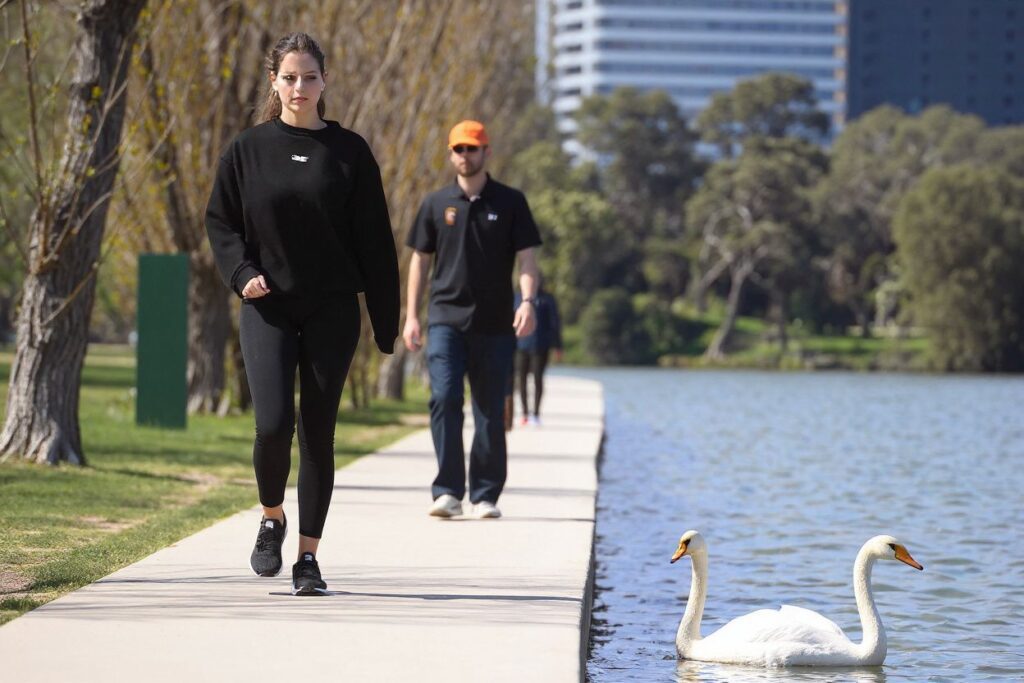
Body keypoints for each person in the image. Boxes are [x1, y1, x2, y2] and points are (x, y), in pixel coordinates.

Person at [205, 33, 399, 595]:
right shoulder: (246, 150)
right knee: (272, 425)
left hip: (332, 310)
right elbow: (220, 222)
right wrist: (242, 275)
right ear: (274, 82)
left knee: (317, 431)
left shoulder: (350, 154)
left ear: (325, 82)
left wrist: (385, 323)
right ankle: (272, 516)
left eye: (309, 77)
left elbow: (375, 243)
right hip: (266, 307)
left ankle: (308, 558)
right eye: (289, 78)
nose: (299, 88)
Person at [403, 120, 541, 520]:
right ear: (450, 155)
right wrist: (411, 316)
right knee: (444, 398)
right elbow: (419, 261)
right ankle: (447, 491)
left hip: (496, 323)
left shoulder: (511, 202)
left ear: (487, 153)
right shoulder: (434, 204)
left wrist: (528, 301)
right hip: (445, 319)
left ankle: (484, 495)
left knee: (489, 409)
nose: (466, 156)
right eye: (459, 149)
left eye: (473, 149)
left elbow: (527, 259)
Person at [514, 283, 562, 427]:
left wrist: (558, 346)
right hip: (521, 345)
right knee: (521, 380)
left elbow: (555, 323)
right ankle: (524, 413)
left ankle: (536, 414)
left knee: (538, 379)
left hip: (541, 346)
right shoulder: (517, 297)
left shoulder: (547, 299)